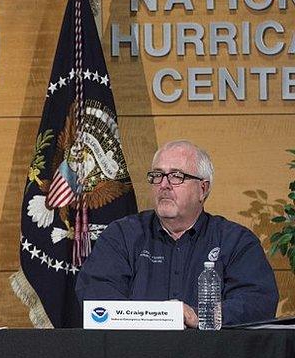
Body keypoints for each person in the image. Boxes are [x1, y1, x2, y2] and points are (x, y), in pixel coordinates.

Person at [76, 140, 278, 327]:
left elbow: (257, 301)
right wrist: (158, 317)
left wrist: (197, 316)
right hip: (136, 355)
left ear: (203, 189)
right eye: (157, 176)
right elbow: (96, 293)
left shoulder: (236, 241)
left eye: (176, 176)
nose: (163, 185)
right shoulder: (122, 235)